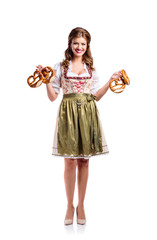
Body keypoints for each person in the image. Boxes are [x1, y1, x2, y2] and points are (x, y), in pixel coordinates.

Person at [36, 27, 122, 225]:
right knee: (69, 161)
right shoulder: (60, 66)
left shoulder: (91, 67)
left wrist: (110, 82)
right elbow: (52, 97)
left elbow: (95, 97)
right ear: (70, 44)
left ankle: (81, 204)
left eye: (83, 44)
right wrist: (46, 81)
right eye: (76, 43)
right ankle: (69, 205)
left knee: (84, 161)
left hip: (87, 113)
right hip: (67, 114)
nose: (79, 47)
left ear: (87, 46)